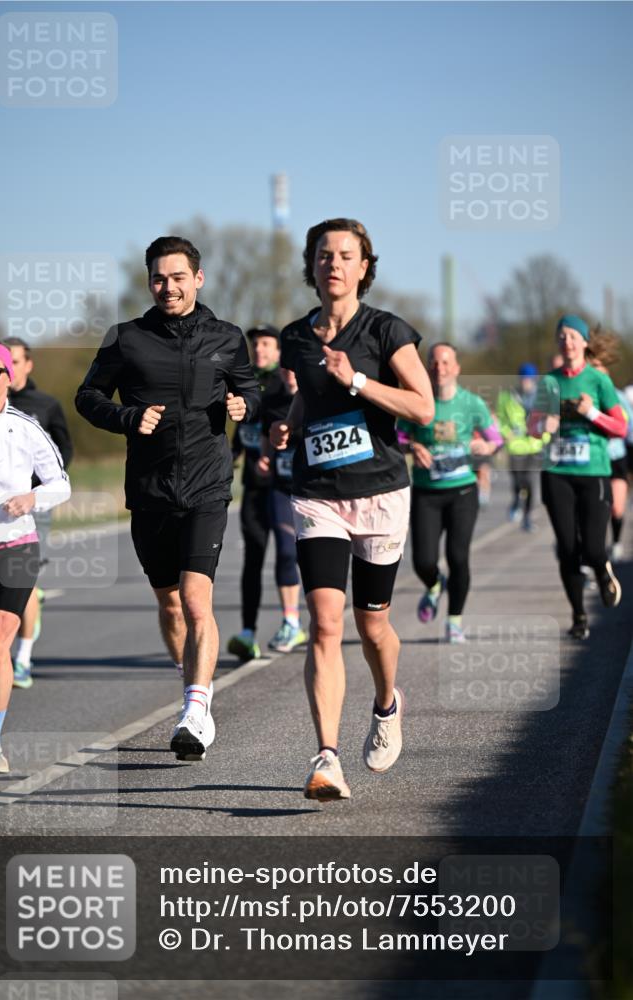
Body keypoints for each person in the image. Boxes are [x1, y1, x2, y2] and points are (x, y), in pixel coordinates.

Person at [75, 235, 260, 762]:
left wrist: (243, 404)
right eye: (159, 278)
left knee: (196, 599)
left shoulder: (227, 337)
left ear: (198, 279)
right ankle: (193, 689)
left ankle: (197, 711)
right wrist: (128, 418)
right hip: (150, 490)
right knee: (170, 603)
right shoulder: (125, 338)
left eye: (178, 277)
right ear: (148, 281)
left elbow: (250, 388)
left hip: (207, 485)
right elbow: (87, 397)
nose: (168, 287)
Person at [271, 218, 434, 801]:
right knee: (326, 623)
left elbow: (422, 407)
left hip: (382, 492)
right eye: (323, 255)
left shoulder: (387, 330)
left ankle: (387, 703)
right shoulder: (295, 337)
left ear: (365, 266)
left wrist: (360, 380)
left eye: (345, 255)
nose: (333, 263)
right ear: (311, 266)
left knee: (372, 624)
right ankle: (327, 758)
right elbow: (308, 397)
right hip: (318, 495)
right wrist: (288, 425)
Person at [0, 343, 70, 773]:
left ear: (10, 376)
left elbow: (60, 484)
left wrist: (32, 497)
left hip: (17, 546)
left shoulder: (26, 427)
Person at [398, 343, 503, 644]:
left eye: (445, 363)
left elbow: (496, 438)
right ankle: (434, 585)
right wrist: (412, 447)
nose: (439, 368)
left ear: (456, 368)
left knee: (458, 557)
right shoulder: (418, 401)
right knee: (422, 562)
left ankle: (454, 621)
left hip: (462, 492)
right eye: (433, 363)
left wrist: (487, 446)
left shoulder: (471, 403)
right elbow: (400, 436)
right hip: (426, 492)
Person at [530, 315, 626, 639]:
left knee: (595, 550)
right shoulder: (549, 382)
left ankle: (602, 570)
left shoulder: (599, 381)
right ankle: (579, 616)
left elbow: (621, 427)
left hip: (594, 472)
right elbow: (532, 426)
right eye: (562, 336)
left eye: (573, 336)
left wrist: (591, 413)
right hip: (557, 473)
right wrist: (544, 427)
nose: (567, 341)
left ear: (584, 343)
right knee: (568, 548)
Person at [227, 326, 305, 659]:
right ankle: (248, 632)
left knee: (289, 552)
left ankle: (294, 621)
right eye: (254, 343)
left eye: (266, 344)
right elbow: (246, 434)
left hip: (290, 487)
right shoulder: (247, 385)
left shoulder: (285, 387)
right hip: (257, 488)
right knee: (254, 558)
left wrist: (271, 454)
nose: (259, 349)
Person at [2, 336, 74, 689]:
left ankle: (23, 660)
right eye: (3, 361)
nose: (8, 368)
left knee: (23, 579)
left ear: (28, 365)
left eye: (15, 361)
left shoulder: (44, 405)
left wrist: (40, 493)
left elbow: (64, 452)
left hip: (32, 505)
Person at [258, 365, 307, 653]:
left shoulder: (317, 396)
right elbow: (267, 436)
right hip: (280, 488)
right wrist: (265, 458)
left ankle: (327, 617)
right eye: (285, 366)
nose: (290, 371)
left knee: (312, 555)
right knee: (286, 551)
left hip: (314, 490)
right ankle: (291, 622)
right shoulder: (271, 400)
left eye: (295, 365)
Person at [583, 331, 632, 562]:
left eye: (599, 367)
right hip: (593, 459)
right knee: (595, 512)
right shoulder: (584, 397)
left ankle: (616, 542)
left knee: (617, 508)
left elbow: (628, 428)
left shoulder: (618, 397)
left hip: (617, 458)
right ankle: (592, 551)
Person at [496, 362, 545, 531]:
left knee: (530, 483)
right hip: (515, 447)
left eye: (530, 379)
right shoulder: (507, 397)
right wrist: (506, 433)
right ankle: (516, 500)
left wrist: (543, 437)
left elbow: (547, 422)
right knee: (517, 482)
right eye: (524, 379)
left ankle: (527, 518)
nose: (526, 382)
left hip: (534, 447)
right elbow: (501, 420)